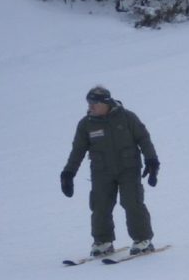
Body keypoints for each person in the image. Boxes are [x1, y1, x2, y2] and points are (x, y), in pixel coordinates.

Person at [60, 86, 160, 257]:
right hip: (101, 171)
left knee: (132, 202)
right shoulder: (86, 124)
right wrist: (68, 173)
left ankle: (143, 240)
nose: (90, 107)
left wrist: (151, 160)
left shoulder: (127, 117)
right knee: (100, 205)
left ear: (105, 103)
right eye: (89, 103)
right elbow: (77, 151)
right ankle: (103, 242)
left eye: (94, 103)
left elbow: (143, 138)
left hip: (128, 168)